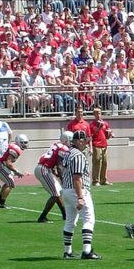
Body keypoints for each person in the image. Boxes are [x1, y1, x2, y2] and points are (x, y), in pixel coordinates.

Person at [60, 131, 100, 259]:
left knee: (70, 221)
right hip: (76, 190)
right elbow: (77, 177)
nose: (86, 143)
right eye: (84, 140)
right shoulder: (78, 155)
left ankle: (68, 251)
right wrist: (80, 196)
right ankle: (87, 251)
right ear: (77, 141)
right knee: (89, 219)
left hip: (66, 189)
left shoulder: (68, 152)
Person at [34, 131, 71, 223]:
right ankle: (42, 216)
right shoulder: (63, 148)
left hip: (44, 168)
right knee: (55, 194)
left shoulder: (57, 144)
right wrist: (63, 179)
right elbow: (59, 166)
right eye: (70, 140)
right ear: (66, 140)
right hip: (44, 169)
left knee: (57, 191)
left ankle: (65, 214)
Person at [0, 134, 29, 208]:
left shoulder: (14, 146)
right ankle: (1, 202)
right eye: (23, 142)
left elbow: (6, 162)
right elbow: (8, 163)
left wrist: (14, 171)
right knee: (10, 182)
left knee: (8, 181)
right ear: (18, 142)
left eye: (26, 142)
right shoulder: (16, 148)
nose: (25, 144)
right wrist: (17, 171)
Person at [89, 107, 113, 185]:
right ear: (94, 115)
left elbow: (107, 135)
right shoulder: (92, 124)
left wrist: (110, 134)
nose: (98, 115)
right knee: (97, 162)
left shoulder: (105, 123)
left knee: (104, 162)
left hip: (104, 144)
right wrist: (99, 127)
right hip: (96, 145)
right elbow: (92, 135)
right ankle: (95, 180)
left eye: (99, 113)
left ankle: (104, 180)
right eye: (96, 113)